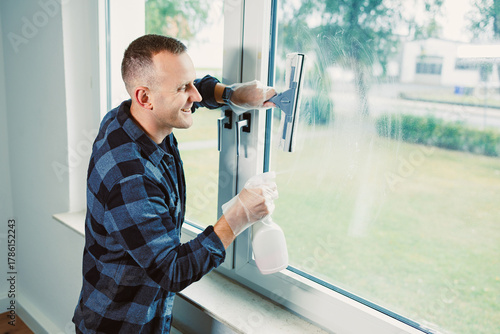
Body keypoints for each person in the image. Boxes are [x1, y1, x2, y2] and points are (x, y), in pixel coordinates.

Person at [73, 34, 278, 333]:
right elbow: (172, 270)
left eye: (192, 83)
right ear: (145, 97)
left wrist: (232, 94)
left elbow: (194, 92)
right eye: (184, 88)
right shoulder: (131, 179)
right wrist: (237, 217)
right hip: (118, 325)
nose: (195, 97)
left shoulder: (130, 116)